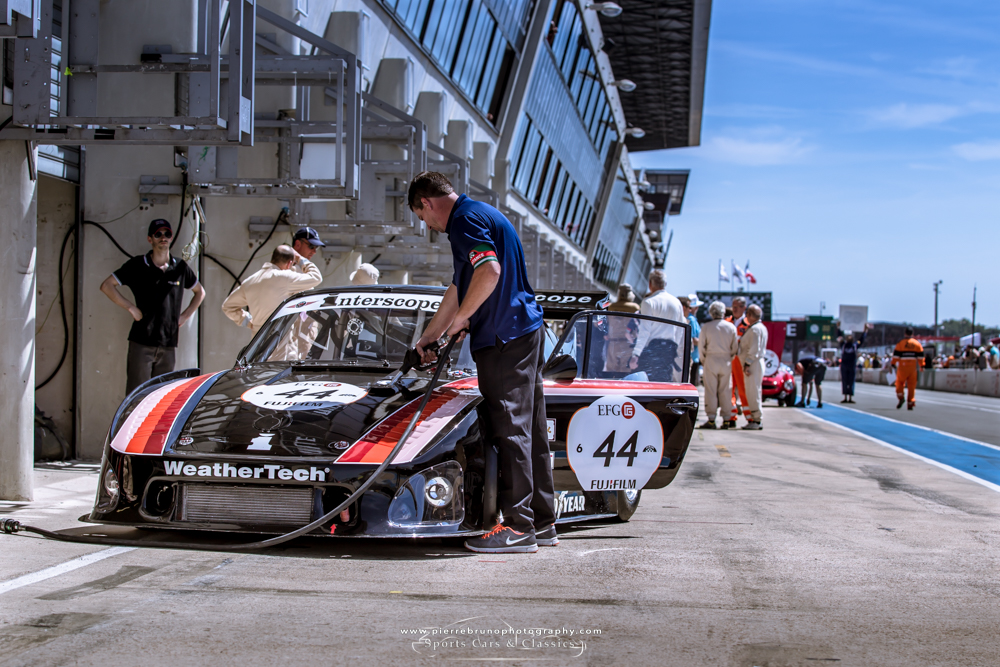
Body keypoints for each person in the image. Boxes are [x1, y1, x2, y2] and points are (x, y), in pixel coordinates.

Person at [407, 171, 555, 554]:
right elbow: (461, 285)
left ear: (426, 202)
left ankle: (519, 527)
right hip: (522, 331)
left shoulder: (464, 221)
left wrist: (461, 321)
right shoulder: (481, 213)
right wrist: (431, 335)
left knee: (510, 428)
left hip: (503, 337)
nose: (430, 226)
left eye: (424, 219)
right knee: (531, 428)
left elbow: (488, 272)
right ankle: (541, 520)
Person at [100, 219, 206, 395]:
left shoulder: (179, 267)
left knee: (163, 397)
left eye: (167, 234)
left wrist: (185, 315)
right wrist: (131, 308)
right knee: (137, 396)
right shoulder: (137, 265)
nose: (163, 238)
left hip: (168, 344)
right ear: (150, 239)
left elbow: (200, 292)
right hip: (142, 342)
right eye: (158, 234)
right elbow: (107, 286)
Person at [221, 245, 322, 333]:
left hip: (258, 346)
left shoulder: (250, 281)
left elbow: (228, 306)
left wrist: (250, 322)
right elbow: (316, 277)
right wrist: (300, 259)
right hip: (282, 344)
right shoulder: (285, 278)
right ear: (289, 263)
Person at [628, 269, 684, 382]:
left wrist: (636, 354)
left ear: (650, 285)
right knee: (665, 383)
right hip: (669, 350)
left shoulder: (648, 302)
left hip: (652, 350)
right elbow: (680, 329)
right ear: (665, 284)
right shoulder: (676, 302)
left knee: (649, 384)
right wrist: (675, 347)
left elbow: (644, 330)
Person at [698, 301, 738, 429]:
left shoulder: (707, 327)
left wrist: (704, 359)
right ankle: (726, 418)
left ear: (711, 312)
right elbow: (734, 347)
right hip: (725, 359)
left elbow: (701, 346)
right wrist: (729, 357)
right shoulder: (731, 327)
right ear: (723, 312)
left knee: (710, 390)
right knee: (726, 390)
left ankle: (711, 418)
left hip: (711, 358)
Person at [738, 305, 768, 430]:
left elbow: (754, 349)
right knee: (753, 391)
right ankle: (756, 418)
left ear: (750, 315)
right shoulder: (759, 328)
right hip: (755, 362)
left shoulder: (755, 330)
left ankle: (756, 419)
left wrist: (747, 363)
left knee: (753, 391)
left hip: (753, 363)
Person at [605, 284, 640, 374]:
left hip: (613, 342)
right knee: (625, 371)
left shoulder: (611, 307)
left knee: (610, 371)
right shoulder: (634, 307)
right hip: (628, 343)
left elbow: (605, 323)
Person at [892, 327, 924, 410]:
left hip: (903, 367)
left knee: (899, 383)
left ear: (905, 333)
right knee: (912, 386)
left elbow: (895, 356)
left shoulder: (900, 343)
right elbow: (921, 357)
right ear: (912, 334)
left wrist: (893, 364)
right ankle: (910, 403)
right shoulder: (917, 344)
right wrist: (922, 366)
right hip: (913, 368)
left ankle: (901, 396)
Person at [837, 325, 868, 403]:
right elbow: (839, 336)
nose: (849, 338)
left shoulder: (855, 345)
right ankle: (845, 397)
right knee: (844, 381)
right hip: (844, 366)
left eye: (850, 337)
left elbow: (861, 339)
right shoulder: (843, 345)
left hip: (852, 366)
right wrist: (838, 327)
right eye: (848, 337)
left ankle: (850, 397)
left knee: (851, 381)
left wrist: (865, 331)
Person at [680, 294, 703, 386]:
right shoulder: (691, 320)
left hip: (692, 357)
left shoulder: (691, 319)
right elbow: (693, 339)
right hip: (692, 357)